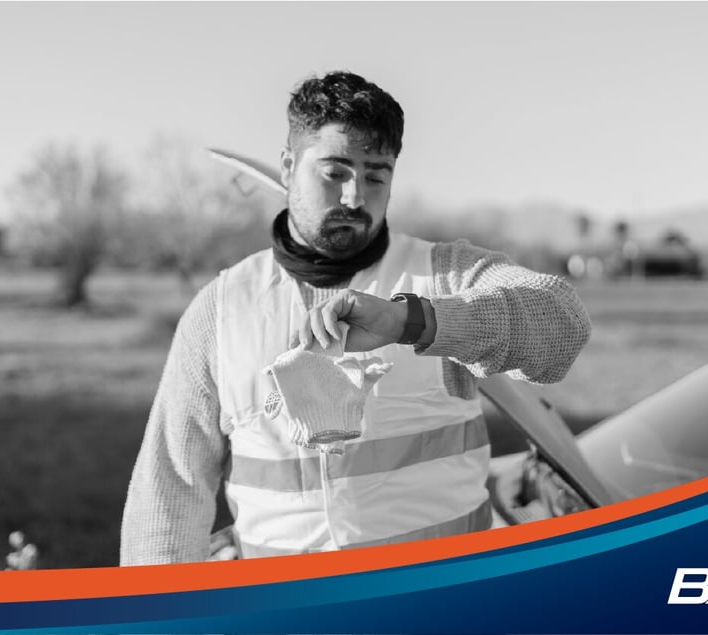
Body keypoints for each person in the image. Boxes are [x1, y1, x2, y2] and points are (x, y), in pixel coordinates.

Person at [120, 71, 592, 564]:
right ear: (287, 167)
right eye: (335, 172)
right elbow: (170, 493)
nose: (354, 196)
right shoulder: (221, 309)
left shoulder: (445, 273)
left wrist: (411, 322)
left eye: (375, 175)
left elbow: (562, 328)